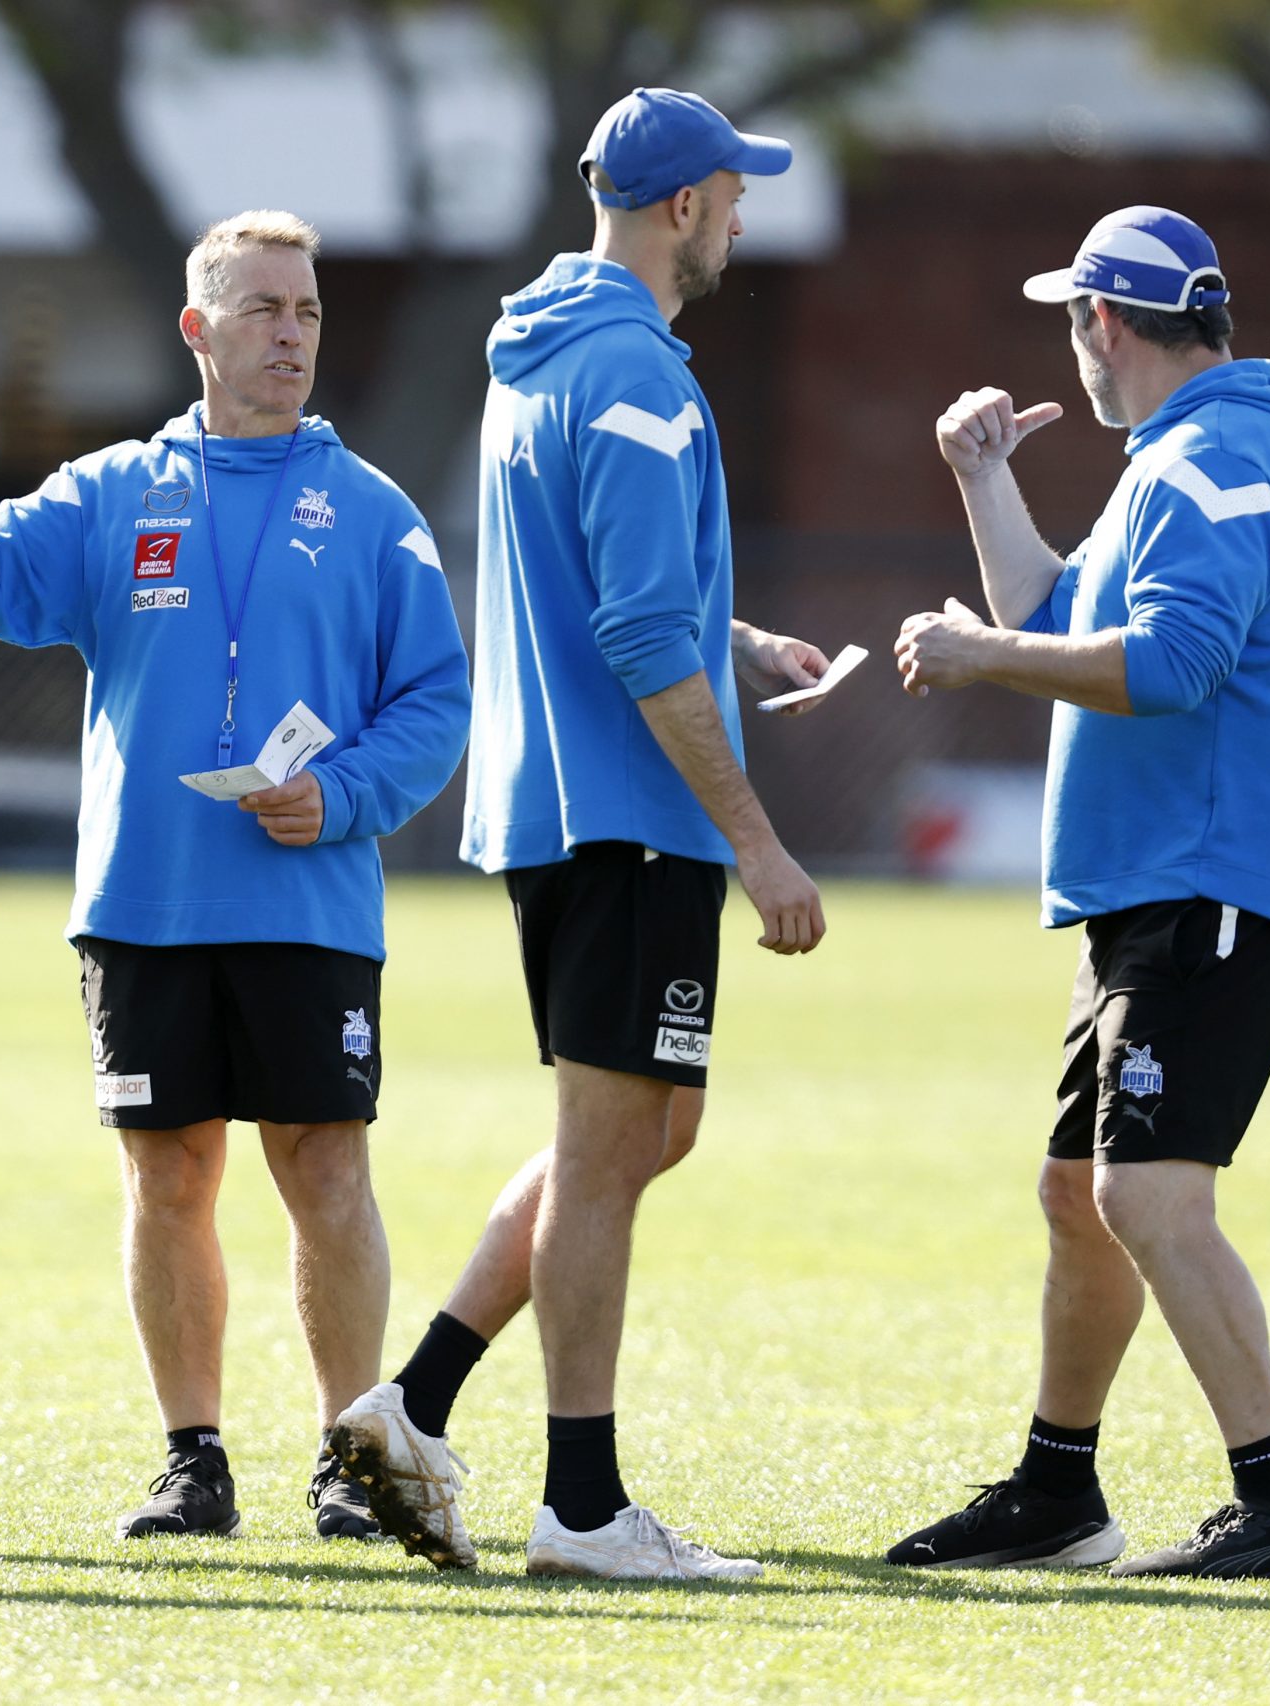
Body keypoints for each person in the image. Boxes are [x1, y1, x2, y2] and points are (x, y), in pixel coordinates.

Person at [0, 210, 471, 1542]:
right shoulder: (111, 493)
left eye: (308, 311)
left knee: (325, 1169)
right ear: (198, 330)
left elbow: (435, 702)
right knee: (168, 1177)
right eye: (264, 308)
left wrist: (346, 793)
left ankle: (351, 1456)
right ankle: (193, 1459)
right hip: (145, 908)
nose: (291, 332)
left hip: (309, 901)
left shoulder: (376, 514)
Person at [328, 88, 833, 1582]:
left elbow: (611, 584)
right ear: (682, 209)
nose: (745, 213)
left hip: (578, 811)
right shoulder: (634, 379)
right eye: (735, 191)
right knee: (610, 1150)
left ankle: (407, 1406)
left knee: (633, 1132)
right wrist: (757, 840)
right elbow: (624, 624)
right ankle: (586, 1508)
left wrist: (730, 639)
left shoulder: (554, 358)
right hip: (624, 821)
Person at [885, 206, 1270, 1580]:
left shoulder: (1214, 461)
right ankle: (1058, 1488)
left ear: (1103, 323)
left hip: (1211, 880)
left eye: (1071, 320)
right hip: (1164, 883)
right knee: (1078, 1188)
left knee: (1146, 1192)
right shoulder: (1190, 453)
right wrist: (982, 483)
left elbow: (1168, 665)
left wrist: (977, 656)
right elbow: (1058, 608)